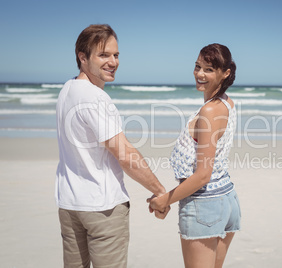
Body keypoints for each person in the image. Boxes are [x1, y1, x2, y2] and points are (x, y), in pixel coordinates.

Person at [55, 24, 169, 268]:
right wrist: (161, 192)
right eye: (103, 55)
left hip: (69, 205)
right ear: (82, 57)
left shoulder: (67, 90)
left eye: (116, 55)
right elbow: (125, 154)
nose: (113, 62)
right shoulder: (95, 97)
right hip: (102, 209)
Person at [148, 43, 241, 268]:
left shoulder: (210, 111)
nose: (200, 74)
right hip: (226, 198)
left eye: (209, 69)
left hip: (204, 205)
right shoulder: (227, 102)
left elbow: (202, 175)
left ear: (225, 73)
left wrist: (164, 200)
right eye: (198, 66)